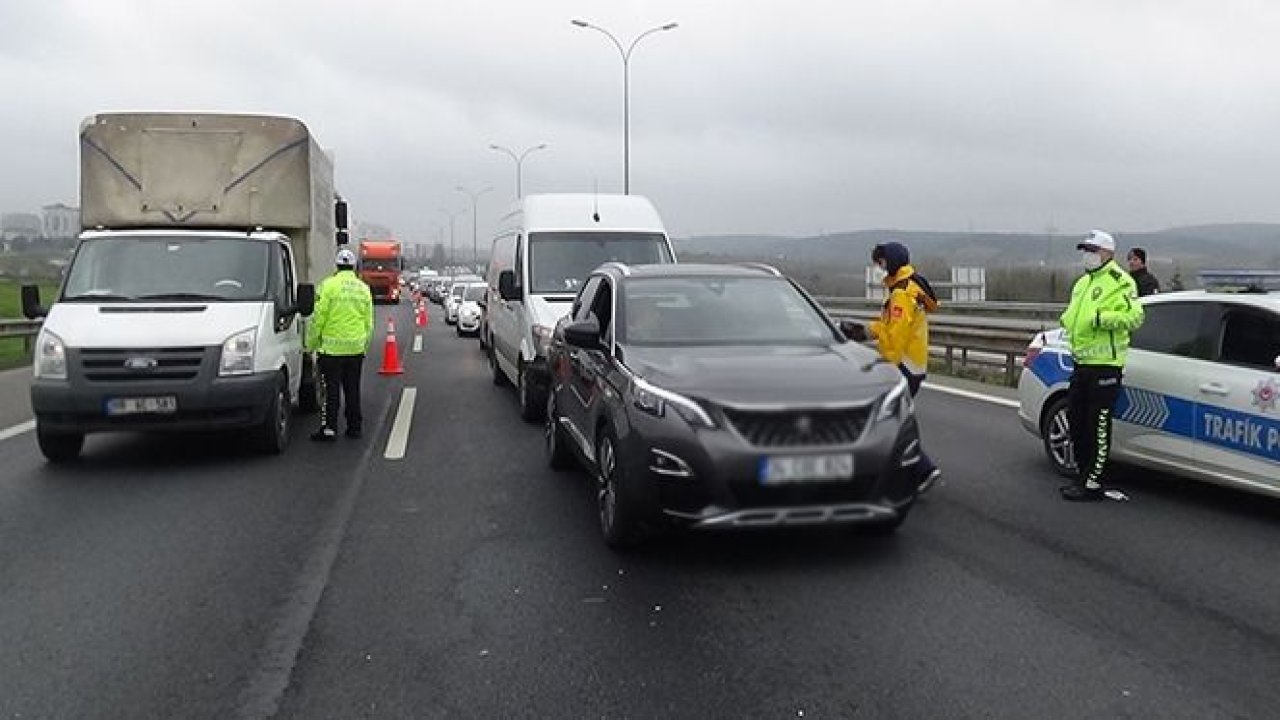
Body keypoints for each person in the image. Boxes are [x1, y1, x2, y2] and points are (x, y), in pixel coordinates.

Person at [1059, 230, 1145, 501]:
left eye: (1093, 250)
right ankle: (1082, 474)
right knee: (1075, 420)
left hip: (1106, 365)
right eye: (1085, 250)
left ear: (1108, 253)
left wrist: (1101, 318)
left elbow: (1135, 316)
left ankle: (1093, 482)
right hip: (1081, 362)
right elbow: (1073, 316)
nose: (1088, 255)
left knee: (1097, 424)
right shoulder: (1082, 283)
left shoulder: (1121, 282)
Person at [866, 242, 943, 493]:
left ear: (891, 263)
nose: (877, 268)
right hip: (913, 364)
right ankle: (915, 470)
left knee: (889, 422)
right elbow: (890, 327)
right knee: (893, 420)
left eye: (880, 263)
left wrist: (883, 365)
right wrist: (867, 330)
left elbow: (896, 338)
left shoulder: (901, 294)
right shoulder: (908, 288)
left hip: (904, 367)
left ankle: (921, 470)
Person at [306, 246, 374, 441]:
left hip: (331, 351)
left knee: (331, 390)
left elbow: (318, 318)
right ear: (354, 267)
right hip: (355, 349)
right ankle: (355, 427)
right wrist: (363, 346)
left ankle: (330, 428)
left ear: (336, 266)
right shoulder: (363, 289)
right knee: (352, 389)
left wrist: (311, 344)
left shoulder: (328, 286)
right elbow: (368, 323)